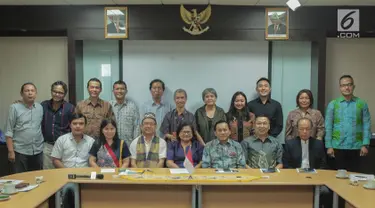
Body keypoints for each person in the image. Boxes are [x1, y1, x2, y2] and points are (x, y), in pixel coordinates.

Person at [325, 75, 371, 172]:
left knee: (355, 177)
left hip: (357, 147)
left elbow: (366, 125)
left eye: (349, 84)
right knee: (337, 177)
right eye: (343, 85)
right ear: (340, 87)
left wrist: (365, 144)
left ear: (353, 86)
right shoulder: (333, 104)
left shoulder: (361, 104)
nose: (347, 87)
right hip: (337, 146)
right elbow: (328, 126)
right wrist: (329, 146)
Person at [283, 118, 330, 208]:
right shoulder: (290, 144)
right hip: (295, 178)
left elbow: (323, 165)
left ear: (312, 130)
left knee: (326, 191)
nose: (305, 132)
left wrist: (315, 175)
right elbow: (286, 165)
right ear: (297, 129)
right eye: (302, 129)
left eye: (307, 129)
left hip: (315, 178)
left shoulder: (318, 144)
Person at [5, 82, 44, 173]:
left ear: (36, 93)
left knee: (37, 178)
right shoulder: (14, 108)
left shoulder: (40, 107)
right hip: (20, 151)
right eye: (27, 91)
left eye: (32, 91)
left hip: (37, 150)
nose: (30, 93)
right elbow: (9, 131)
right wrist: (11, 151)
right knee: (20, 180)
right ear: (21, 94)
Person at [41, 81, 75, 169]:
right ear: (51, 91)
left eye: (60, 93)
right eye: (55, 91)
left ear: (64, 94)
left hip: (64, 147)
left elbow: (73, 127)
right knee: (48, 174)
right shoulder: (43, 105)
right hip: (48, 146)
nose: (57, 94)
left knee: (63, 173)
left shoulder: (70, 108)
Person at [109, 80, 140, 146]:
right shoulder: (109, 106)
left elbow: (137, 127)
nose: (119, 91)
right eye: (117, 89)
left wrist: (135, 144)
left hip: (128, 145)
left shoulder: (133, 106)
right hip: (111, 145)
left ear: (126, 91)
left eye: (122, 89)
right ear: (113, 91)